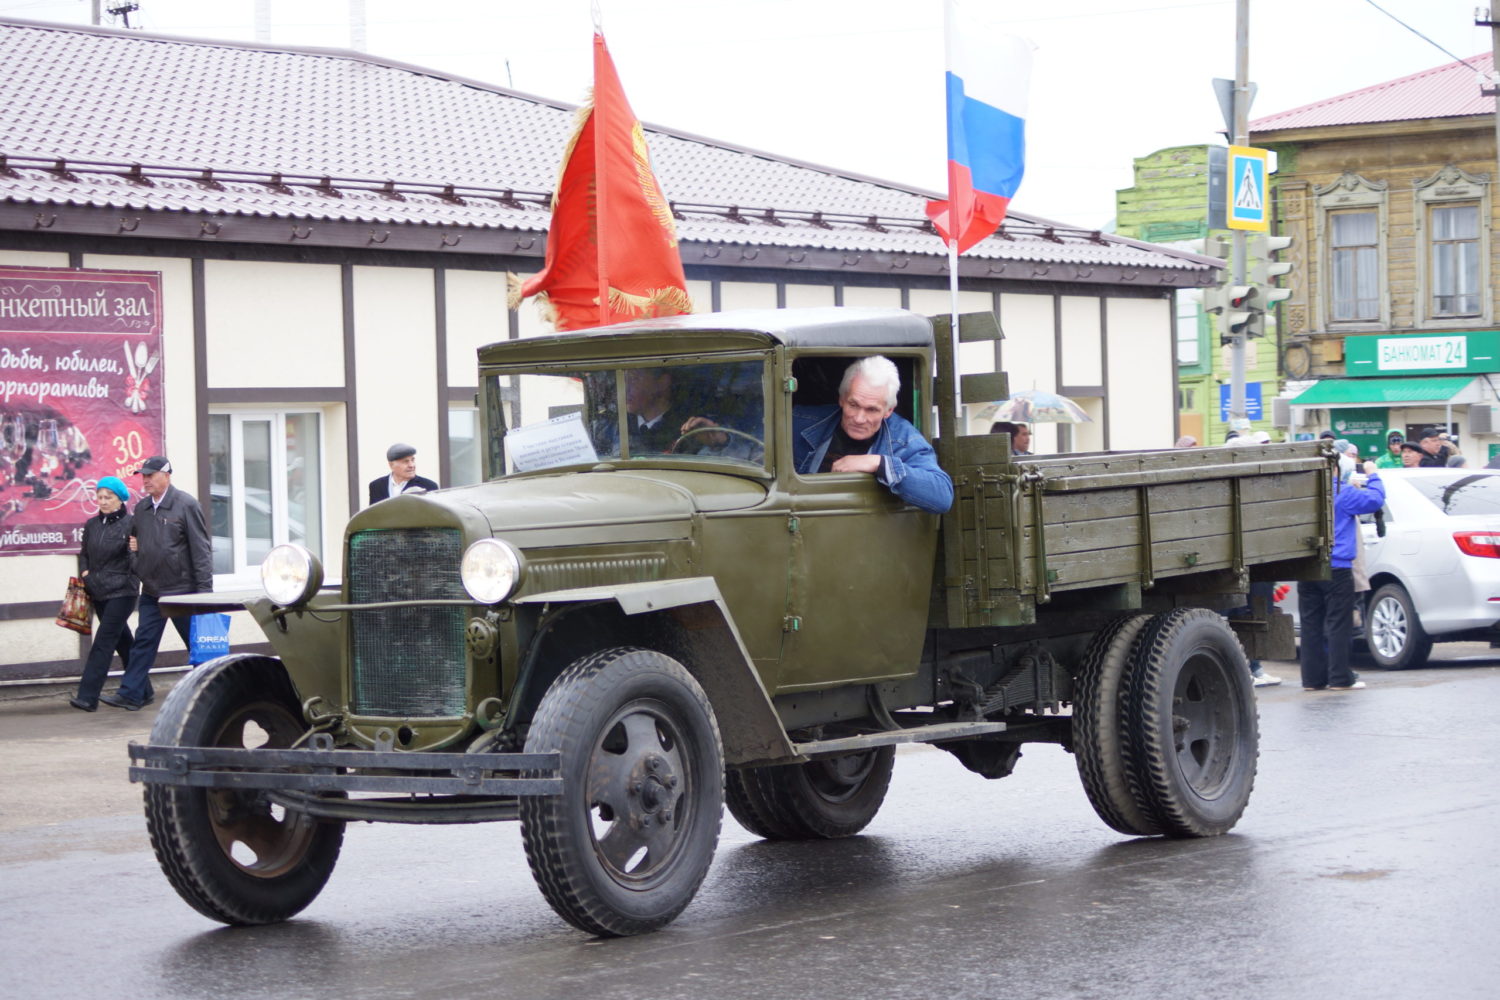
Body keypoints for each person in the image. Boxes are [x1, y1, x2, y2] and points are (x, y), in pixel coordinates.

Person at [101, 456, 213, 711]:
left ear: (167, 475)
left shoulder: (186, 504)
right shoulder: (141, 509)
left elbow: (201, 550)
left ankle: (212, 693)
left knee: (199, 646)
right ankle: (131, 694)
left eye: (151, 475)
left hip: (183, 592)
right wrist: (137, 562)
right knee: (143, 644)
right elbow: (134, 543)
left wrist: (205, 594)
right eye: (143, 475)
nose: (146, 480)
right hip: (152, 591)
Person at [795, 356, 953, 514]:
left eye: (872, 409)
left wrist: (880, 464)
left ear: (889, 410)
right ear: (841, 399)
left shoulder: (902, 438)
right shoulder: (801, 420)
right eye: (853, 405)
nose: (859, 418)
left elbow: (942, 495)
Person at [1299, 459, 1385, 692]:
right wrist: (1373, 475)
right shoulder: (1343, 492)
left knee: (1310, 625)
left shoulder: (1301, 493)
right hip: (1338, 567)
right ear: (1335, 469)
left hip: (1307, 566)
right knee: (1338, 624)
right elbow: (1376, 499)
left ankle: (1312, 680)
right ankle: (1339, 677)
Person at [69, 476, 139, 711]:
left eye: (108, 497)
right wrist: (85, 574)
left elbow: (136, 558)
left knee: (103, 642)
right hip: (97, 590)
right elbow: (84, 554)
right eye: (99, 497)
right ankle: (143, 689)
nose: (103, 501)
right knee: (124, 643)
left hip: (122, 592)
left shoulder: (132, 523)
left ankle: (87, 697)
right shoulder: (91, 525)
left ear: (120, 499)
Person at [369, 442, 438, 503]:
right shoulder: (376, 486)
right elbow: (372, 515)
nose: (411, 465)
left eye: (412, 460)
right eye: (405, 461)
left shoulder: (428, 486)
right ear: (391, 465)